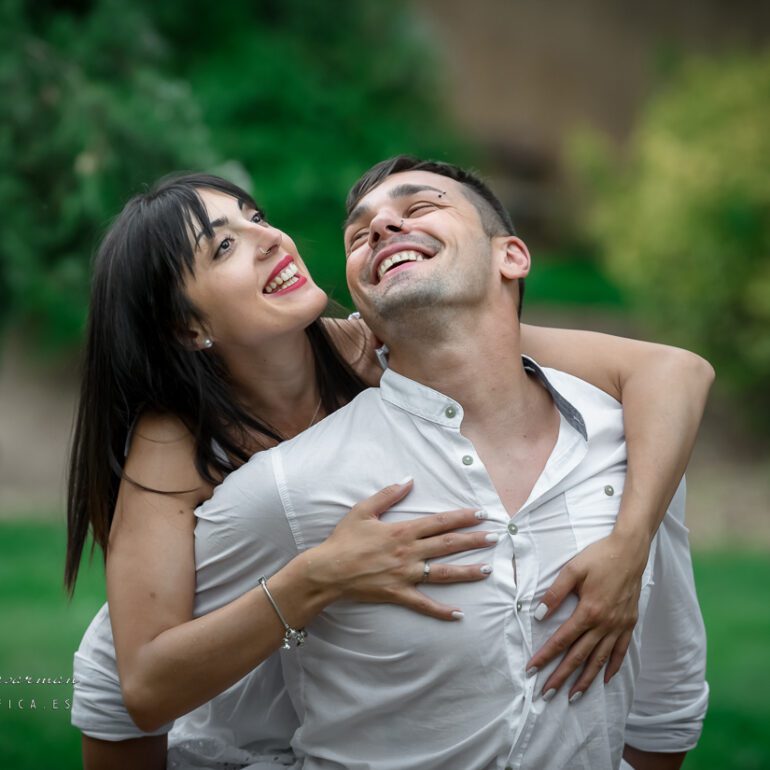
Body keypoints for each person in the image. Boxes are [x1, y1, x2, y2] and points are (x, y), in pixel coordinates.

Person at [67, 170, 712, 769]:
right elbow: (125, 685)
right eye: (223, 248)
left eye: (255, 217)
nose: (267, 238)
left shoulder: (372, 348)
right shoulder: (176, 441)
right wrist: (317, 577)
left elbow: (673, 369)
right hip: (227, 731)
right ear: (188, 327)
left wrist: (630, 545)